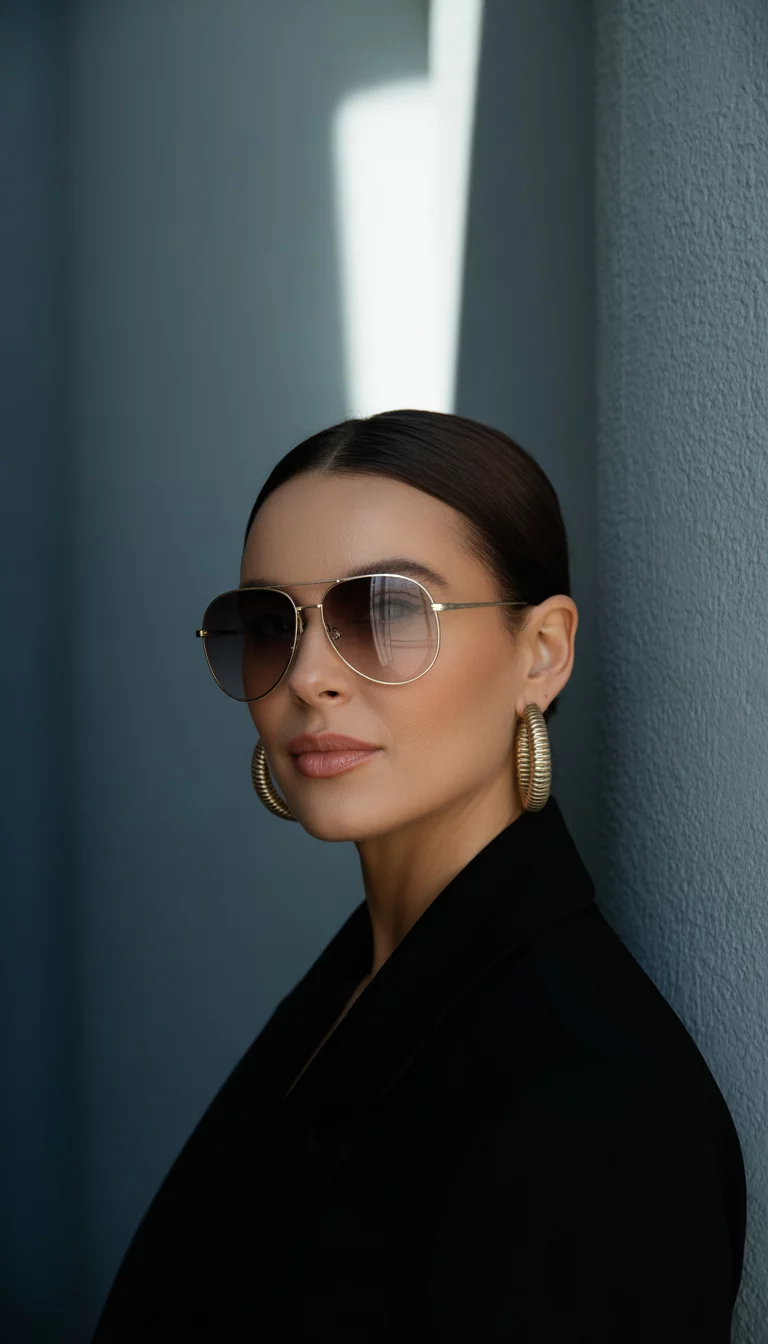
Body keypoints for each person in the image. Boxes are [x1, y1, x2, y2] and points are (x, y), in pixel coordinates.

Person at [91, 409, 746, 1341]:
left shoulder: (592, 1113)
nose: (309, 675)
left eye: (387, 611)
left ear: (542, 652)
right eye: (271, 624)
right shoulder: (366, 985)